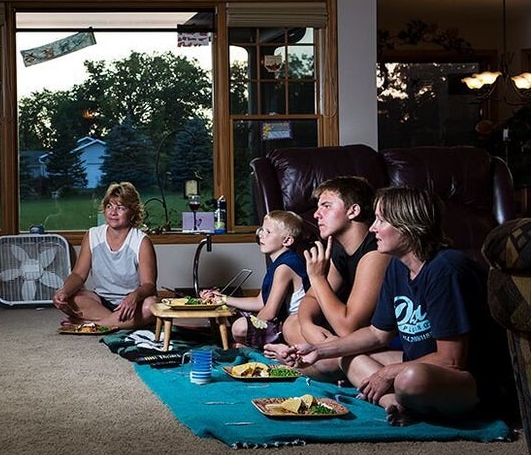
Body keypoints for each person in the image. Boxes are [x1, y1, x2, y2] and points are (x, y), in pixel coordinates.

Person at [278, 186, 504, 426]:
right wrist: (319, 350)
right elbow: (377, 334)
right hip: (417, 362)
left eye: (381, 220)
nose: (373, 228)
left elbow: (451, 359)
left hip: (468, 379)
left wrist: (387, 373)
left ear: (408, 226)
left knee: (410, 379)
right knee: (349, 357)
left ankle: (411, 399)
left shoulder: (446, 269)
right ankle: (393, 403)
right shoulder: (398, 267)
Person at [264, 176, 389, 379]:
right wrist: (308, 326)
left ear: (353, 211)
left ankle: (321, 364)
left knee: (327, 357)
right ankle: (325, 362)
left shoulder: (375, 253)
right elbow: (311, 299)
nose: (316, 214)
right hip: (338, 333)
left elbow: (349, 327)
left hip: (369, 337)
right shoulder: (339, 250)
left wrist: (317, 277)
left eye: (326, 206)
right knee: (291, 323)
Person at [52, 181, 158, 329]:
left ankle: (92, 325)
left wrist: (133, 297)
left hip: (131, 303)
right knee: (70, 298)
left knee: (150, 307)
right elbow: (78, 274)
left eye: (120, 208)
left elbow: (149, 285)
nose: (113, 212)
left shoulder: (142, 241)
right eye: (109, 206)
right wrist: (64, 291)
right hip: (100, 301)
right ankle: (117, 322)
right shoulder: (93, 235)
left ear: (133, 212)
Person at [200, 210, 309, 348]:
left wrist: (252, 328)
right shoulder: (279, 263)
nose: (261, 235)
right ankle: (249, 345)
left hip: (294, 324)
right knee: (236, 317)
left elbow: (269, 312)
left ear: (287, 240)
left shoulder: (285, 267)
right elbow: (260, 302)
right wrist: (222, 299)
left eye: (268, 232)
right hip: (282, 319)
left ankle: (255, 348)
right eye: (261, 230)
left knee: (239, 327)